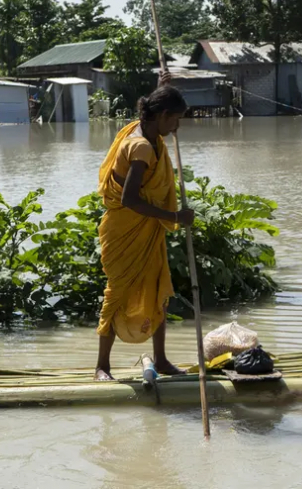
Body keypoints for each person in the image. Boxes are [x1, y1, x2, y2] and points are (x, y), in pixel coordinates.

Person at [94, 71, 195, 381]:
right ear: (162, 116)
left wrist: (161, 88)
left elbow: (154, 113)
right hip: (126, 229)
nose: (177, 128)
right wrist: (176, 217)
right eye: (175, 120)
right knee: (118, 292)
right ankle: (102, 366)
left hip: (146, 231)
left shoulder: (148, 129)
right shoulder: (141, 147)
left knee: (157, 290)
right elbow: (130, 200)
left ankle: (161, 359)